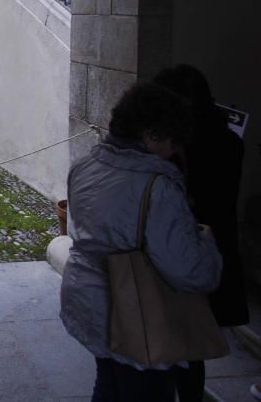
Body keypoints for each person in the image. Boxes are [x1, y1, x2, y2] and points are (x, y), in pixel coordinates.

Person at [61, 82, 223, 401]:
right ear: (151, 134)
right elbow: (189, 271)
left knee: (108, 382)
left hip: (90, 300)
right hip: (136, 313)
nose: (175, 150)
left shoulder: (84, 166)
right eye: (173, 141)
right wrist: (205, 242)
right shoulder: (157, 186)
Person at [152, 65, 248, 402]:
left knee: (182, 341)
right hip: (203, 248)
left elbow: (196, 202)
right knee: (187, 343)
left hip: (190, 250)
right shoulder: (225, 139)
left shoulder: (193, 146)